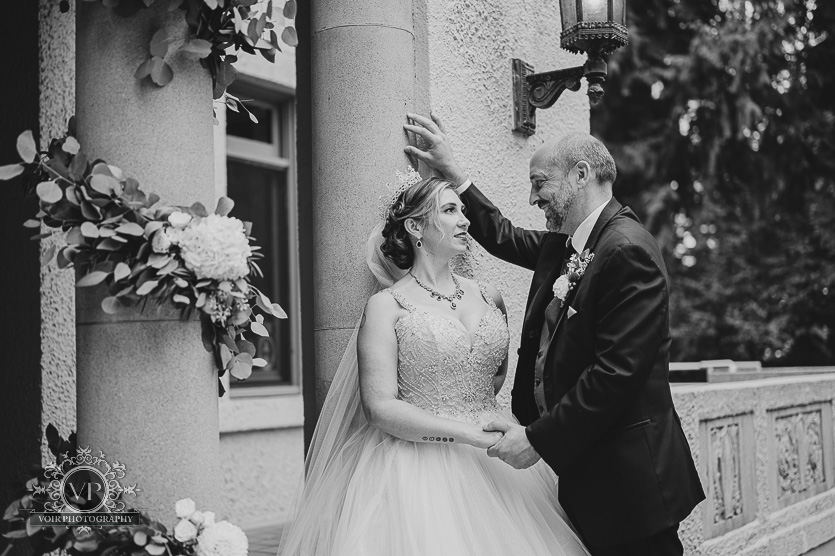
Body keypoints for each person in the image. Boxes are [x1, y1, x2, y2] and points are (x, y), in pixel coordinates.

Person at [404, 113, 706, 556]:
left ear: (580, 175)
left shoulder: (627, 250)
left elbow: (617, 374)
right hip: (589, 474)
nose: (532, 198)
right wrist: (453, 173)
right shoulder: (570, 245)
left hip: (630, 484)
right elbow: (503, 235)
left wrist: (536, 439)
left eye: (539, 183)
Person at [278, 176, 590, 556]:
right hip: (416, 468)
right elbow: (379, 407)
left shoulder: (489, 296)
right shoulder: (387, 307)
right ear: (415, 227)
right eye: (450, 210)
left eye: (463, 210)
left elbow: (494, 377)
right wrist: (468, 432)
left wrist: (479, 418)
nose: (465, 220)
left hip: (496, 458)